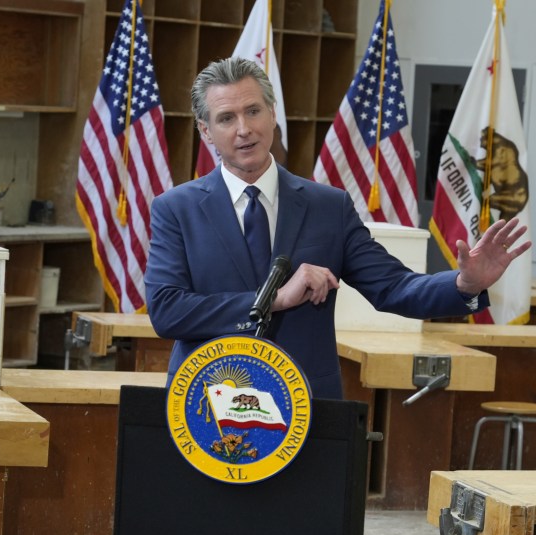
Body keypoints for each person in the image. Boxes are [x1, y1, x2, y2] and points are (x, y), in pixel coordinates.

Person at [144, 57, 531, 400]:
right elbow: (167, 311)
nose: (244, 128)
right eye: (227, 118)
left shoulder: (327, 206)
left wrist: (464, 285)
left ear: (273, 114)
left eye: (253, 111)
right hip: (205, 403)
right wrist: (274, 299)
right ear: (206, 131)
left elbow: (393, 287)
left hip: (307, 404)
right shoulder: (175, 209)